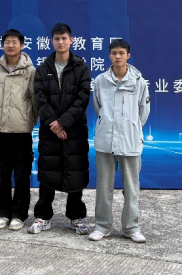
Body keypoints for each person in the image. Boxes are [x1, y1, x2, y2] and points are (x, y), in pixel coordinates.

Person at [28, 23, 92, 235]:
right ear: (52, 41)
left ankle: (76, 217)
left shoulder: (82, 67)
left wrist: (63, 122)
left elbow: (83, 98)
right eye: (57, 39)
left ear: (71, 40)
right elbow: (40, 99)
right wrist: (55, 125)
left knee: (76, 172)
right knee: (48, 172)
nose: (61, 42)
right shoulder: (43, 68)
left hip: (75, 130)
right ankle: (43, 217)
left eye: (64, 38)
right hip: (50, 130)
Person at [88, 39, 150, 243]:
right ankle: (102, 226)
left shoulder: (139, 82)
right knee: (103, 186)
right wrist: (108, 123)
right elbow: (98, 107)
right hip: (105, 139)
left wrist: (131, 127)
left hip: (130, 140)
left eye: (121, 53)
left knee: (131, 187)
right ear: (109, 55)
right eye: (114, 53)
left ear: (128, 55)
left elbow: (143, 112)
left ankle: (131, 227)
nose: (117, 56)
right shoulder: (100, 80)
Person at [0, 29, 38, 231]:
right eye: (7, 42)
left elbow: (35, 99)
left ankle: (19, 214)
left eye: (14, 42)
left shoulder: (30, 71)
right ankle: (2, 212)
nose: (10, 45)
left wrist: (28, 119)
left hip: (21, 130)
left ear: (22, 45)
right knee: (1, 173)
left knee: (21, 174)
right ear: (2, 45)